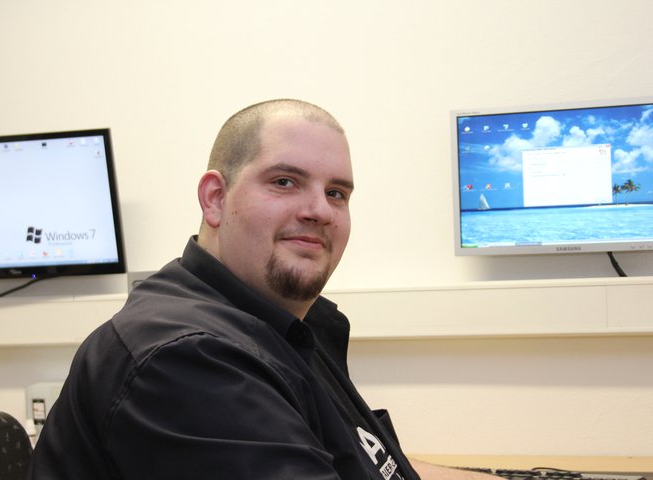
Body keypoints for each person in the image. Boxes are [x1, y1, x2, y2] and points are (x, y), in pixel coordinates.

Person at [28, 99, 498, 480]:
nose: (320, 210)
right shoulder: (187, 359)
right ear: (215, 199)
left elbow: (368, 462)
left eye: (337, 193)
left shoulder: (288, 322)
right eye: (285, 182)